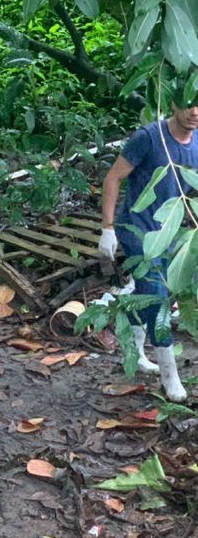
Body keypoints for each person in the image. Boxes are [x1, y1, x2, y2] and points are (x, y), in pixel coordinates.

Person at [98, 104, 198, 402]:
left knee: (150, 291)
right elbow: (113, 178)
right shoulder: (148, 137)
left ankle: (136, 353)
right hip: (138, 229)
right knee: (157, 299)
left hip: (169, 229)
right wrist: (108, 228)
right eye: (188, 104)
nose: (195, 112)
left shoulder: (196, 141)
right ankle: (171, 378)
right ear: (172, 104)